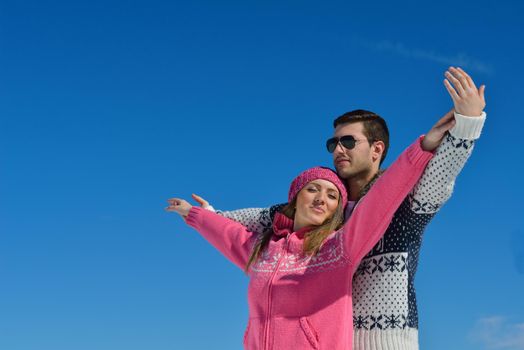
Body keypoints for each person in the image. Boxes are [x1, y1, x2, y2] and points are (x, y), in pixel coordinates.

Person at [191, 67, 487, 349]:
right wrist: (212, 215)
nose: (338, 150)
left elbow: (441, 174)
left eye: (348, 141)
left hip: (387, 342)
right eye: (333, 143)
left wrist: (468, 124)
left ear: (377, 149)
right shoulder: (327, 208)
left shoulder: (405, 203)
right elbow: (261, 217)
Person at [167, 134, 435, 349]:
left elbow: (381, 199)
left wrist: (422, 148)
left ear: (336, 210)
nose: (321, 198)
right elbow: (226, 233)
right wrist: (193, 213)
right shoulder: (262, 252)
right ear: (296, 198)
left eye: (332, 196)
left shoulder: (339, 249)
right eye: (313, 189)